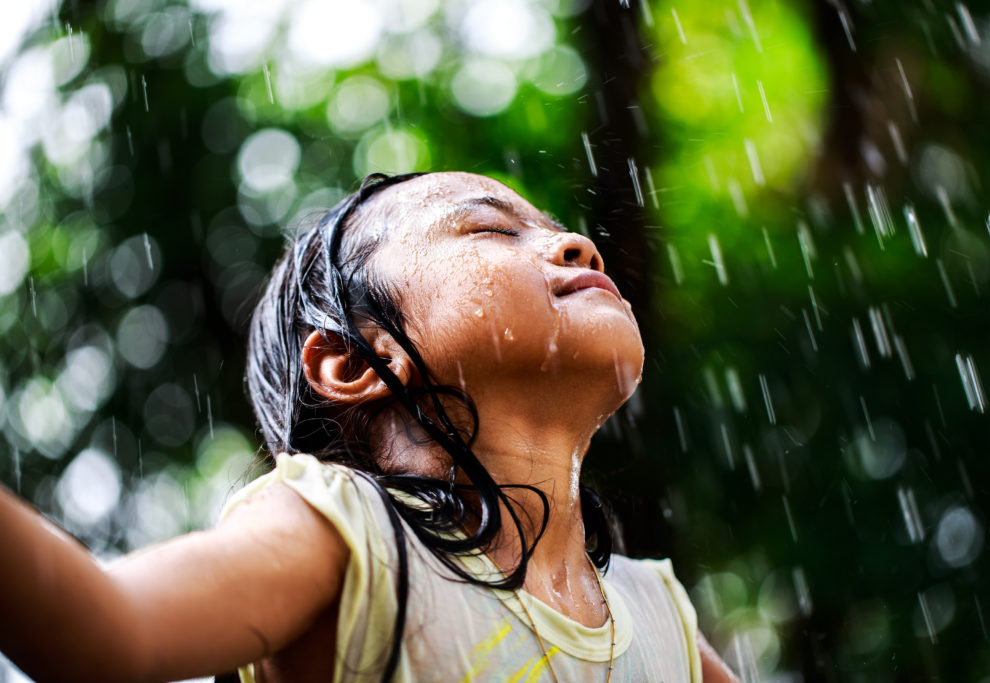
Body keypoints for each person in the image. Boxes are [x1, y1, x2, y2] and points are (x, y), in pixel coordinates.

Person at [0, 172, 738, 682]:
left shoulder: (658, 616)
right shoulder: (353, 538)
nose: (580, 244)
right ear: (356, 361)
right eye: (489, 228)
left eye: (558, 230)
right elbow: (105, 634)